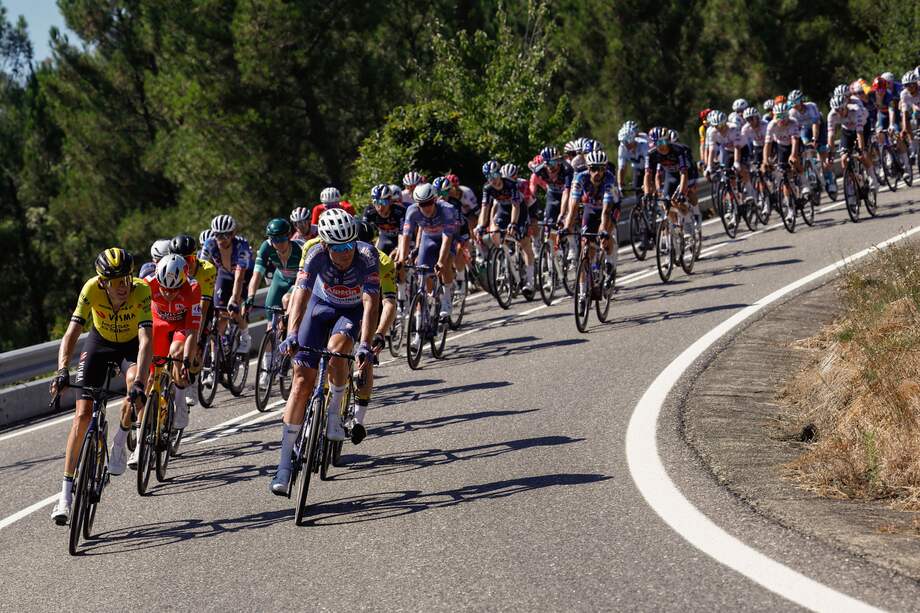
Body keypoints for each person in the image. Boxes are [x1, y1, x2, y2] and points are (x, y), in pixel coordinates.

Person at [270, 209, 379, 495]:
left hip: (352, 311)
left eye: (349, 245)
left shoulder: (367, 255)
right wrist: (292, 334)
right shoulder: (314, 252)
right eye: (338, 247)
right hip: (319, 307)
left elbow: (370, 303)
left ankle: (334, 413)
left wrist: (365, 343)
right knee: (301, 382)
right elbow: (301, 294)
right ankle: (283, 466)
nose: (345, 252)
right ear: (326, 244)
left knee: (337, 350)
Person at [49, 248, 153, 524]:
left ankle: (120, 443)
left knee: (134, 384)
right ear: (103, 281)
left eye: (126, 278)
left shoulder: (141, 290)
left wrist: (140, 381)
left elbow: (145, 341)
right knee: (82, 415)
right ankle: (65, 496)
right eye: (115, 280)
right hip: (100, 344)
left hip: (130, 346)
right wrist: (62, 370)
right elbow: (72, 333)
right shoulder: (91, 289)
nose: (123, 285)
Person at [138, 253, 201, 466]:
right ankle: (141, 438)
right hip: (158, 322)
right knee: (148, 376)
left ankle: (181, 405)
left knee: (176, 355)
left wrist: (186, 360)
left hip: (182, 327)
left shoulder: (192, 288)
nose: (169, 293)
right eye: (164, 289)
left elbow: (193, 330)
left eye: (174, 290)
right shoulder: (147, 284)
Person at [244, 218, 304, 388]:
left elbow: (303, 279)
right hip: (280, 279)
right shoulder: (266, 247)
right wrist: (250, 297)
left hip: (298, 281)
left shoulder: (299, 248)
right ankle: (266, 367)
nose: (278, 244)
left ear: (289, 236)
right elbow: (257, 274)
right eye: (274, 240)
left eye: (281, 239)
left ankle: (289, 346)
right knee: (271, 324)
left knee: (287, 301)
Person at [398, 182, 457, 327]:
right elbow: (406, 236)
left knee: (446, 263)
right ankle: (432, 299)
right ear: (417, 204)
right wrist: (402, 259)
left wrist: (441, 261)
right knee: (423, 273)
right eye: (422, 204)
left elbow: (447, 238)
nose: (426, 207)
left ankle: (447, 298)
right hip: (428, 238)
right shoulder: (412, 211)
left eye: (429, 203)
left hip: (446, 238)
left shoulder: (447, 210)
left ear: (435, 199)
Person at [200, 215, 253, 354]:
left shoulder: (242, 246)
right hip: (224, 274)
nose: (222, 240)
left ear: (233, 234)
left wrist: (235, 298)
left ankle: (245, 336)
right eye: (218, 235)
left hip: (243, 275)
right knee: (220, 315)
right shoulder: (209, 244)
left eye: (226, 235)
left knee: (233, 310)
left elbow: (239, 276)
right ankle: (214, 362)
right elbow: (200, 270)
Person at [566, 150, 622, 283]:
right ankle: (583, 289)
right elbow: (573, 207)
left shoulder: (609, 179)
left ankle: (610, 265)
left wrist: (603, 231)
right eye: (594, 169)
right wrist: (567, 227)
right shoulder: (580, 178)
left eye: (601, 169)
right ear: (588, 168)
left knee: (605, 237)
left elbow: (607, 211)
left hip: (611, 208)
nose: (597, 173)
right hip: (590, 209)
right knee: (585, 243)